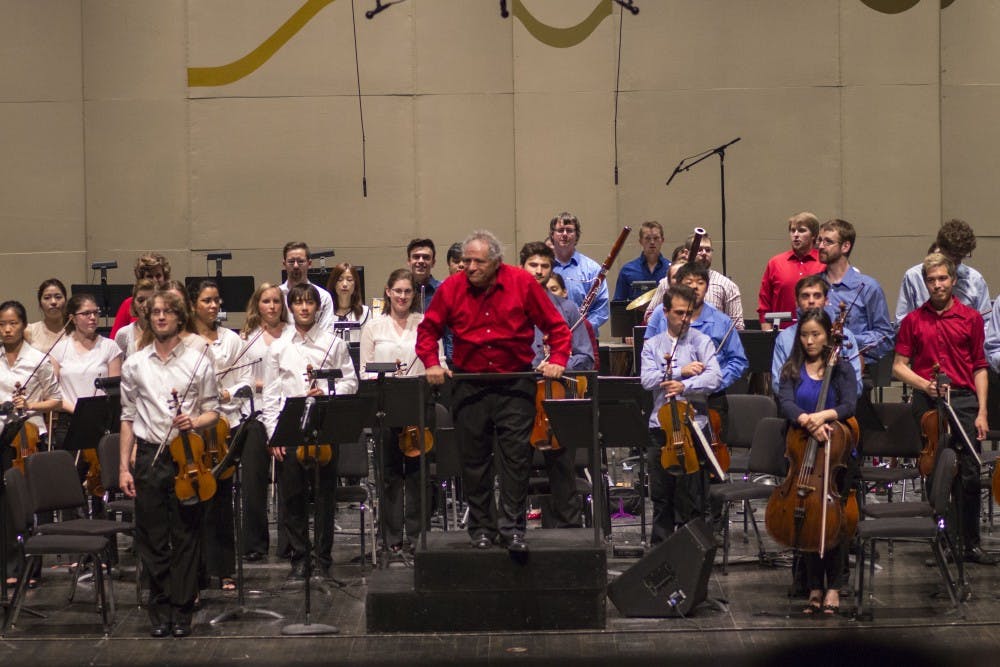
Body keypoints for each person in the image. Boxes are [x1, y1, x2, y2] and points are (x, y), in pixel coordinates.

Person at [416, 230, 571, 552]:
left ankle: (513, 528)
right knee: (474, 461)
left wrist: (557, 359)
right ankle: (481, 529)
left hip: (514, 383)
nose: (469, 267)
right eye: (466, 261)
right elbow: (428, 330)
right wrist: (431, 362)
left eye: (477, 262)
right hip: (469, 384)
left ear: (496, 263)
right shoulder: (451, 288)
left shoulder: (522, 283)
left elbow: (556, 327)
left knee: (516, 460)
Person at [119, 290, 220, 638]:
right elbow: (128, 418)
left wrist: (195, 421)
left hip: (186, 457)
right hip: (149, 456)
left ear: (179, 317)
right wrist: (122, 467)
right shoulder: (135, 364)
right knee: (152, 537)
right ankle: (159, 605)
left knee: (186, 534)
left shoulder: (198, 361)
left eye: (167, 312)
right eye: (155, 312)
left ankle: (182, 609)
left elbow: (213, 410)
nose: (161, 317)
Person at [892, 253, 995, 565]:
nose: (937, 285)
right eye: (931, 280)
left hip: (964, 400)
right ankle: (943, 540)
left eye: (942, 279)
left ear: (953, 281)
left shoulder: (971, 318)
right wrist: (925, 385)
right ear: (925, 283)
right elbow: (899, 367)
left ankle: (970, 543)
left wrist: (982, 411)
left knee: (971, 473)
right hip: (929, 402)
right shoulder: (913, 321)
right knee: (936, 474)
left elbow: (980, 367)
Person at [262, 283, 358, 580]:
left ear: (318, 308)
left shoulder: (333, 344)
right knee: (293, 497)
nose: (304, 308)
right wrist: (272, 434)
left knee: (326, 496)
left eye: (309, 303)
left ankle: (324, 559)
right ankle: (300, 559)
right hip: (291, 428)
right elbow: (270, 396)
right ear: (290, 308)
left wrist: (328, 390)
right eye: (299, 303)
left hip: (324, 426)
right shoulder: (278, 347)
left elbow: (351, 382)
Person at [776, 308, 858, 614]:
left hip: (835, 454)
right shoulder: (792, 368)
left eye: (816, 334)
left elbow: (849, 404)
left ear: (828, 336)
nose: (810, 341)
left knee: (833, 523)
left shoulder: (842, 368)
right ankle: (813, 585)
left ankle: (834, 587)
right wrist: (806, 420)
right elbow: (785, 402)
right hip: (801, 453)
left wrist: (823, 416)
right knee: (805, 519)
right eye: (805, 335)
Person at [359, 269, 443, 554]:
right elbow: (364, 369)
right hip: (387, 405)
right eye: (398, 291)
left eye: (408, 291)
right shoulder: (373, 327)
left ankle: (420, 536)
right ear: (388, 291)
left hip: (419, 402)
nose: (403, 296)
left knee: (419, 474)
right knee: (389, 474)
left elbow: (438, 361)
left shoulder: (426, 324)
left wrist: (433, 372)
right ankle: (391, 537)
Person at [521, 242, 594, 528]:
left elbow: (586, 356)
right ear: (522, 267)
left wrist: (560, 366)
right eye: (533, 265)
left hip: (560, 395)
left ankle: (570, 531)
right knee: (517, 465)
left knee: (562, 466)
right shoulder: (512, 307)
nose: (539, 271)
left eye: (544, 266)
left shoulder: (568, 308)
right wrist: (529, 366)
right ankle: (514, 528)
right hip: (523, 394)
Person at [640, 285, 722, 542]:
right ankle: (660, 552)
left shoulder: (702, 341)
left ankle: (692, 550)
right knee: (662, 495)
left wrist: (685, 386)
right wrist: (679, 372)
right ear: (665, 312)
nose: (685, 319)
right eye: (678, 313)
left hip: (692, 426)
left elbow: (714, 378)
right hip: (661, 427)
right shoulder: (653, 344)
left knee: (693, 496)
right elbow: (646, 379)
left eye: (689, 313)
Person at [190, 280, 251, 592]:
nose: (213, 306)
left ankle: (225, 568)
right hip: (196, 431)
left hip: (226, 427)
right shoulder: (186, 341)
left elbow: (246, 381)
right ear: (193, 306)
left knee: (223, 499)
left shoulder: (231, 339)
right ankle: (198, 569)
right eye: (206, 301)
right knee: (195, 499)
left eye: (216, 300)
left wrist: (225, 393)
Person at [238, 282, 288, 561]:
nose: (271, 306)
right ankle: (255, 544)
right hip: (256, 414)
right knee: (254, 481)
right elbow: (243, 380)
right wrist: (270, 384)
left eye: (276, 302)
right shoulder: (248, 338)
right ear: (257, 305)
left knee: (288, 481)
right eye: (266, 301)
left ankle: (288, 544)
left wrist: (275, 385)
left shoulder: (292, 335)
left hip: (285, 413)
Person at [645, 262, 748, 394]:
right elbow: (649, 357)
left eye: (700, 282)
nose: (695, 287)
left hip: (712, 396)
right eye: (689, 282)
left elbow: (738, 361)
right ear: (679, 285)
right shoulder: (661, 313)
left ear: (707, 287)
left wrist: (712, 382)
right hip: (667, 393)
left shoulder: (722, 321)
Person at [50, 292, 122, 453]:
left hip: (101, 421)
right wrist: (78, 410)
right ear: (73, 318)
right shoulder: (59, 349)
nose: (93, 317)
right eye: (86, 313)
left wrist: (92, 413)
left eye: (96, 312)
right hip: (68, 420)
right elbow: (52, 391)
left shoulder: (110, 347)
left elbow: (115, 390)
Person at [816, 219, 894, 365]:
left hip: (857, 370)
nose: (820, 246)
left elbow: (885, 338)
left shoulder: (868, 287)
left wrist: (847, 339)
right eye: (819, 240)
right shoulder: (813, 286)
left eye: (828, 242)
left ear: (845, 246)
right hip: (817, 369)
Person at [771, 275, 863, 397]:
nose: (811, 301)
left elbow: (856, 387)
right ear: (796, 302)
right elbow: (778, 384)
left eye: (817, 296)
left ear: (826, 301)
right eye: (805, 296)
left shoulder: (845, 335)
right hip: (796, 409)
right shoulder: (784, 338)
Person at [644, 232, 745, 330]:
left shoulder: (727, 285)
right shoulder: (668, 282)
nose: (704, 253)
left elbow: (737, 326)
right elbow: (649, 316)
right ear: (686, 253)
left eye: (708, 250)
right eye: (700, 249)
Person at [896, 219, 990, 323]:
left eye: (962, 256)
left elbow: (986, 322)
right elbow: (902, 322)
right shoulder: (914, 276)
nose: (958, 261)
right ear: (940, 248)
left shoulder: (975, 280)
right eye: (954, 256)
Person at [757, 212, 823, 330]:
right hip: (781, 334)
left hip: (816, 333)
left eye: (802, 231)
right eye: (793, 231)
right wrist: (768, 336)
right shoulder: (775, 263)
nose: (795, 235)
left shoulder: (823, 263)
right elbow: (764, 305)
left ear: (813, 235)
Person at [548, 212, 610, 334]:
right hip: (550, 339)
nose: (564, 234)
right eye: (560, 230)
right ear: (552, 235)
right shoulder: (544, 268)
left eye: (569, 230)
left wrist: (583, 328)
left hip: (585, 340)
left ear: (577, 235)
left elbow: (601, 309)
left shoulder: (592, 269)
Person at [110, 252, 171, 338]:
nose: (154, 280)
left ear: (165, 277)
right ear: (141, 278)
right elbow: (114, 340)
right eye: (149, 276)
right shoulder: (128, 303)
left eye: (158, 276)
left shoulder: (172, 303)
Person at [279, 242, 335, 332]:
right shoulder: (276, 295)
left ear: (309, 264)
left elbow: (326, 335)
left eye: (300, 261)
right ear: (284, 264)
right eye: (291, 261)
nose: (296, 266)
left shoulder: (323, 296)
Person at [613, 221, 670, 301]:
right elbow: (618, 305)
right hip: (634, 313)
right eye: (647, 238)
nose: (652, 242)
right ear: (640, 241)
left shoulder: (671, 270)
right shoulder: (627, 270)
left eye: (656, 238)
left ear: (662, 240)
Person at [325, 262, 371, 342]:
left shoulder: (365, 313)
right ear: (333, 284)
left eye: (349, 280)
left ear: (355, 284)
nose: (345, 284)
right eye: (339, 280)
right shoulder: (325, 313)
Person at [114, 279, 156, 359]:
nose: (145, 304)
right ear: (133, 304)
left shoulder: (164, 332)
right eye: (141, 300)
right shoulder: (123, 334)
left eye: (150, 300)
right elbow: (118, 368)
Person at [24, 279, 68, 352]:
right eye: (47, 298)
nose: (53, 302)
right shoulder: (29, 331)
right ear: (40, 304)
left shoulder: (77, 331)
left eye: (58, 297)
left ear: (66, 301)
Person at [407, 238, 441, 311]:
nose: (421, 261)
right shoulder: (401, 292)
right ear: (409, 261)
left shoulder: (444, 291)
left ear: (433, 262)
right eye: (416, 257)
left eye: (426, 257)